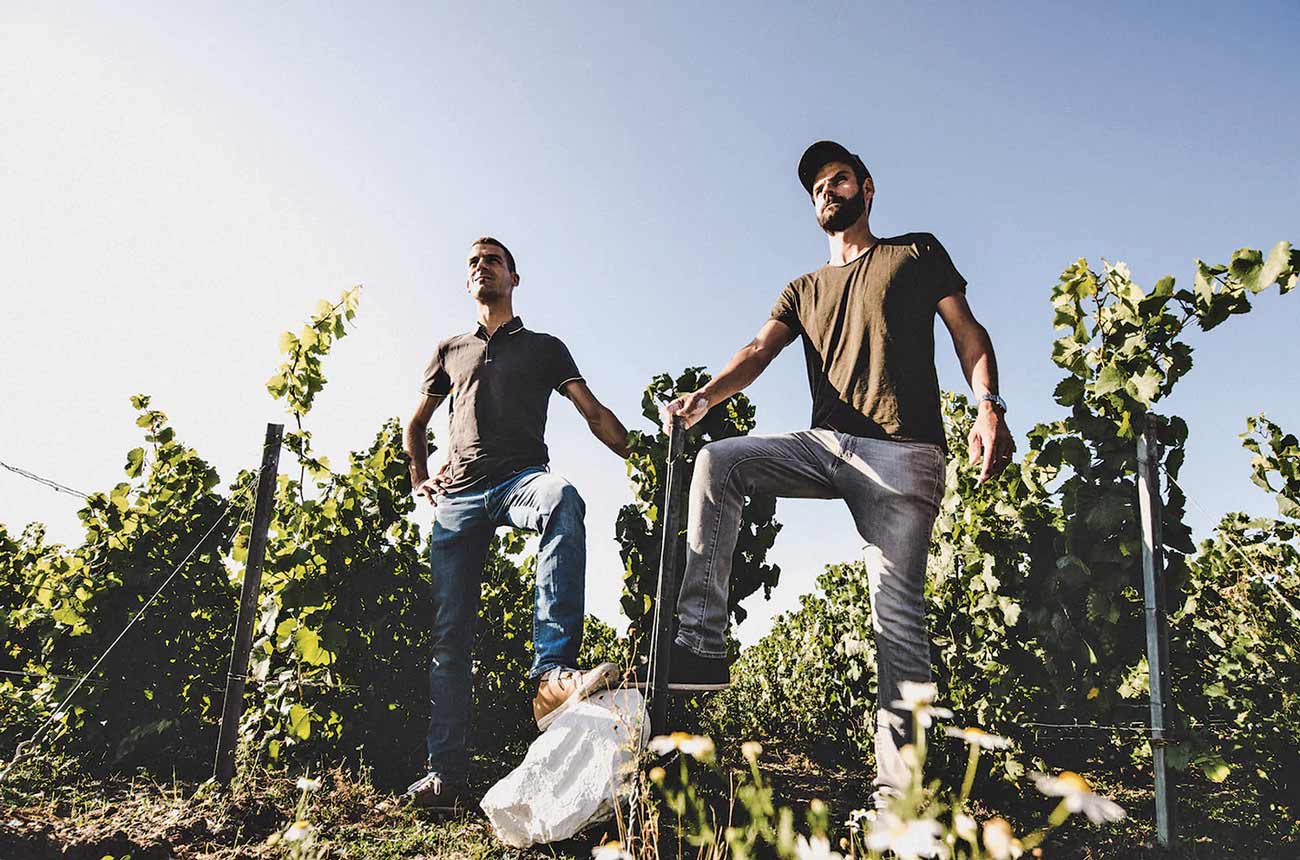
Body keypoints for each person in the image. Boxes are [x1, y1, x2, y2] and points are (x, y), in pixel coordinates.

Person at [659, 141, 1015, 803]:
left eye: (840, 179)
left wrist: (987, 405)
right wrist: (705, 397)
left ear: (867, 188)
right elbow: (757, 351)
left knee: (897, 619)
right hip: (824, 444)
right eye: (818, 187)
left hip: (903, 455)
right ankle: (702, 643)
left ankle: (897, 799)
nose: (828, 191)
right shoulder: (802, 290)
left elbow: (968, 331)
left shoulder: (914, 253)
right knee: (721, 461)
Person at [401, 236, 631, 812]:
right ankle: (445, 776)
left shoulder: (545, 347)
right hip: (457, 496)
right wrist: (417, 475)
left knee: (563, 499)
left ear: (514, 277)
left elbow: (592, 412)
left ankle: (551, 674)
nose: (483, 267)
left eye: (493, 260)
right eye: (474, 262)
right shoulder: (450, 349)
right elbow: (417, 420)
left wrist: (645, 455)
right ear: (469, 279)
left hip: (520, 481)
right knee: (450, 636)